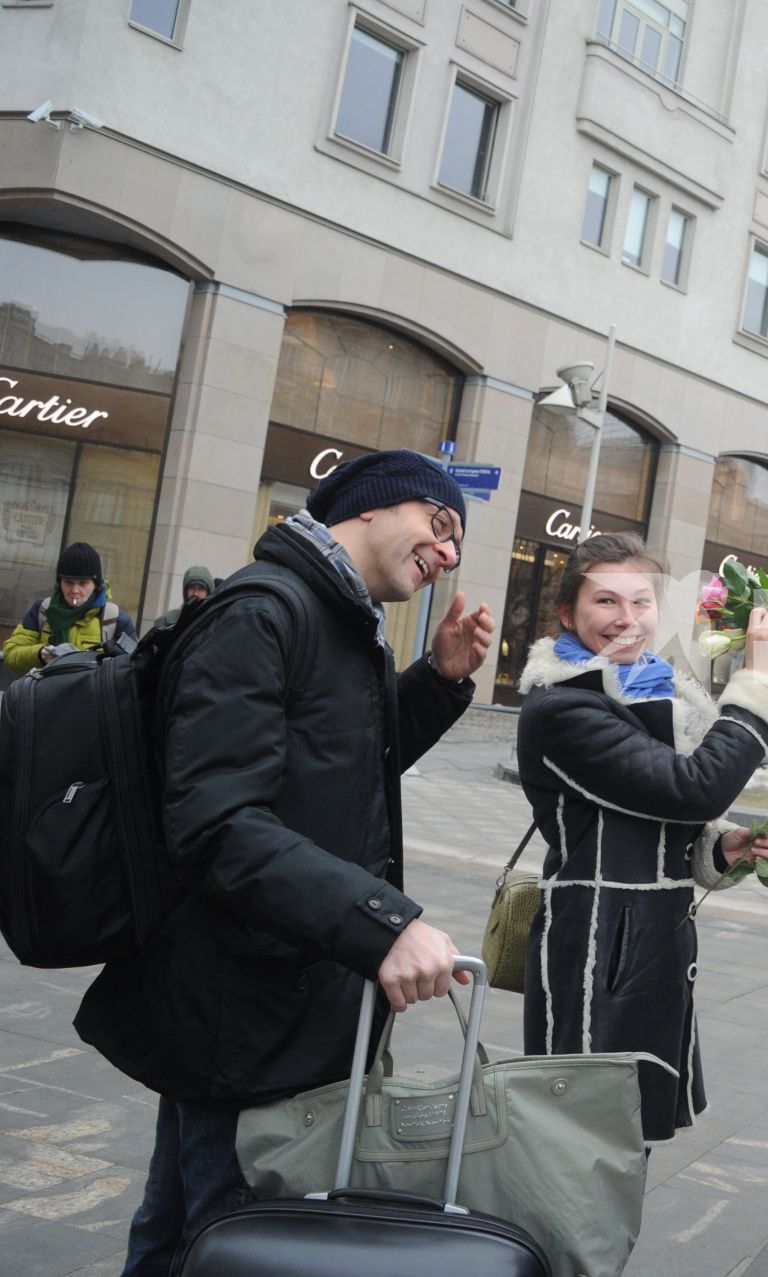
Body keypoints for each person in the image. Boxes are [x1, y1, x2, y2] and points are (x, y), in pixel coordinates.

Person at [73, 449, 497, 1275]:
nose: (448, 554)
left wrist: (438, 680)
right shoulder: (266, 613)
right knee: (229, 1244)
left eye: (457, 544)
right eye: (439, 525)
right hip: (244, 1012)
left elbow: (338, 777)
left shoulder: (338, 620)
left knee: (182, 1240)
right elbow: (217, 824)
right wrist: (384, 926)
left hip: (272, 1008)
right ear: (370, 506)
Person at [516, 532, 768, 1141]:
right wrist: (758, 682)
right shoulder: (564, 707)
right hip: (599, 946)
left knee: (626, 1138)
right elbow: (693, 788)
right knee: (584, 1137)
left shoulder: (648, 689)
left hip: (648, 944)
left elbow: (659, 810)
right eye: (606, 602)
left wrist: (714, 850)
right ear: (568, 613)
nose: (627, 619)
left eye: (641, 602)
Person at [3, 541, 137, 674]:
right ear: (59, 582)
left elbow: (134, 667)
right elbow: (11, 655)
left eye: (83, 583)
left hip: (92, 694)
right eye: (68, 582)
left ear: (96, 584)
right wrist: (40, 654)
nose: (75, 590)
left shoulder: (115, 618)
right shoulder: (43, 610)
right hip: (46, 693)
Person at [147, 564, 215, 633]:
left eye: (201, 589)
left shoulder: (214, 622)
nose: (195, 593)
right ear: (185, 591)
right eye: (191, 588)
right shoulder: (167, 621)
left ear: (208, 592)